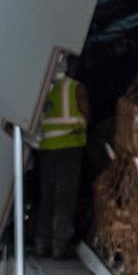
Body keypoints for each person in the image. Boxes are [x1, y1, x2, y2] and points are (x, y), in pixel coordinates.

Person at [33, 57, 88, 259]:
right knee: (65, 197)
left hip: (46, 148)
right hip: (70, 147)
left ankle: (41, 243)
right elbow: (86, 113)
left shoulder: (41, 88)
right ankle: (59, 245)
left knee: (46, 196)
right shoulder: (75, 87)